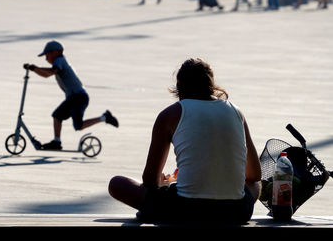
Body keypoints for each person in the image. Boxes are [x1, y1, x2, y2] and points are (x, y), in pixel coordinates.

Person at [108, 58, 262, 224]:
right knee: (255, 185)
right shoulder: (236, 111)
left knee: (116, 184)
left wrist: (163, 183)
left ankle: (155, 211)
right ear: (211, 84)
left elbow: (150, 181)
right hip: (235, 212)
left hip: (185, 210)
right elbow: (255, 175)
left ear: (179, 86)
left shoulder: (170, 115)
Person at [23, 40, 119, 150]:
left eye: (47, 55)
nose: (46, 58)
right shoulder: (60, 61)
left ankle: (105, 117)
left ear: (55, 52)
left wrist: (35, 69)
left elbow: (50, 73)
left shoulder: (59, 60)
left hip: (78, 97)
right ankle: (56, 141)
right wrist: (35, 69)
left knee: (78, 125)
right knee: (57, 116)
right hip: (74, 97)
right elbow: (48, 73)